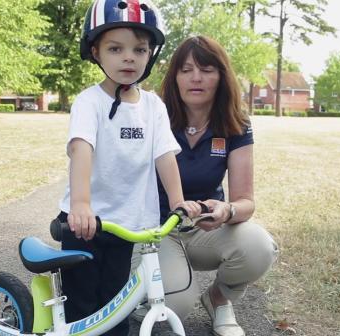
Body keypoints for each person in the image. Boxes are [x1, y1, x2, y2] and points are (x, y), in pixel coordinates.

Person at [55, 2, 200, 336]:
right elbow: (81, 149)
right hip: (85, 223)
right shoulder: (89, 102)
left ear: (151, 55)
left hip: (126, 225)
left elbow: (165, 155)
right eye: (116, 49)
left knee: (117, 303)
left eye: (140, 49)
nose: (129, 58)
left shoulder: (153, 106)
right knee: (82, 303)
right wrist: (80, 204)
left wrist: (178, 200)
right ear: (96, 52)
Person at [131, 35, 279, 336]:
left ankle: (218, 300)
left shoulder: (236, 123)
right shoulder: (153, 117)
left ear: (221, 76)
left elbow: (245, 201)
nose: (196, 78)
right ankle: (144, 288)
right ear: (174, 77)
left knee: (259, 247)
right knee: (174, 311)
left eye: (207, 69)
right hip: (156, 230)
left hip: (203, 229)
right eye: (186, 70)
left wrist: (227, 210)